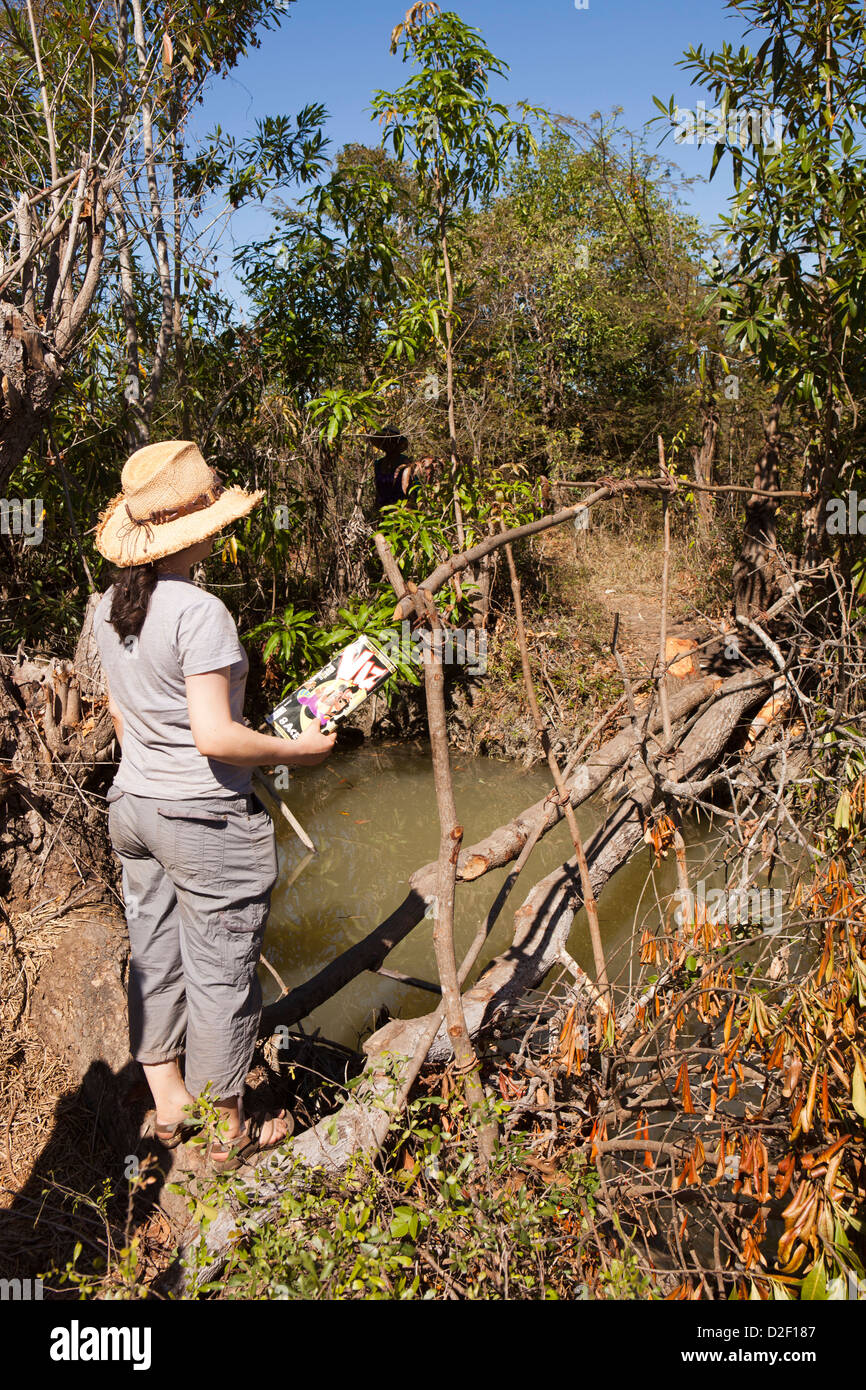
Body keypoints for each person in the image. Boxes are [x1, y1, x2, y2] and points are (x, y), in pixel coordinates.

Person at [93, 440, 336, 1170]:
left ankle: (167, 1103)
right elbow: (215, 737)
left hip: (133, 807)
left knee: (156, 952)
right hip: (201, 818)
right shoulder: (200, 611)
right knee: (222, 968)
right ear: (200, 530)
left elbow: (121, 717)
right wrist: (303, 751)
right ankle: (227, 1126)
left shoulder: (105, 606)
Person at [364, 425, 412, 511]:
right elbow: (378, 492)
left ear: (397, 443)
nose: (388, 445)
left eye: (392, 441)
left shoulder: (404, 462)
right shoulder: (378, 464)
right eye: (385, 441)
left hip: (401, 512)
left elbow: (412, 490)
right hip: (384, 511)